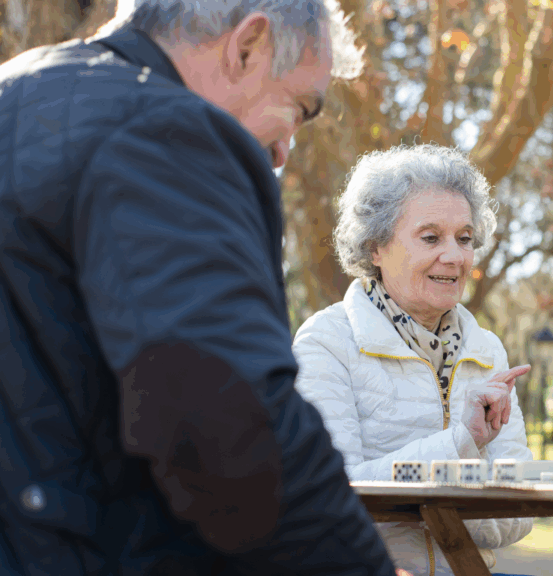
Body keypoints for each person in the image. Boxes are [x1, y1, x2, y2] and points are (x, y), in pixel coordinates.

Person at [0, 1, 402, 575]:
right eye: (299, 108)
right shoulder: (164, 130)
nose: (285, 150)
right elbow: (225, 426)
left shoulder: (16, 94)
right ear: (248, 46)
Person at [292, 144, 534, 576]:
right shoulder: (326, 343)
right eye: (430, 237)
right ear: (376, 248)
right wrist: (461, 445)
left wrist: (442, 507)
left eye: (464, 238)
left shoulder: (487, 351)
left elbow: (520, 513)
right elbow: (331, 496)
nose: (455, 256)